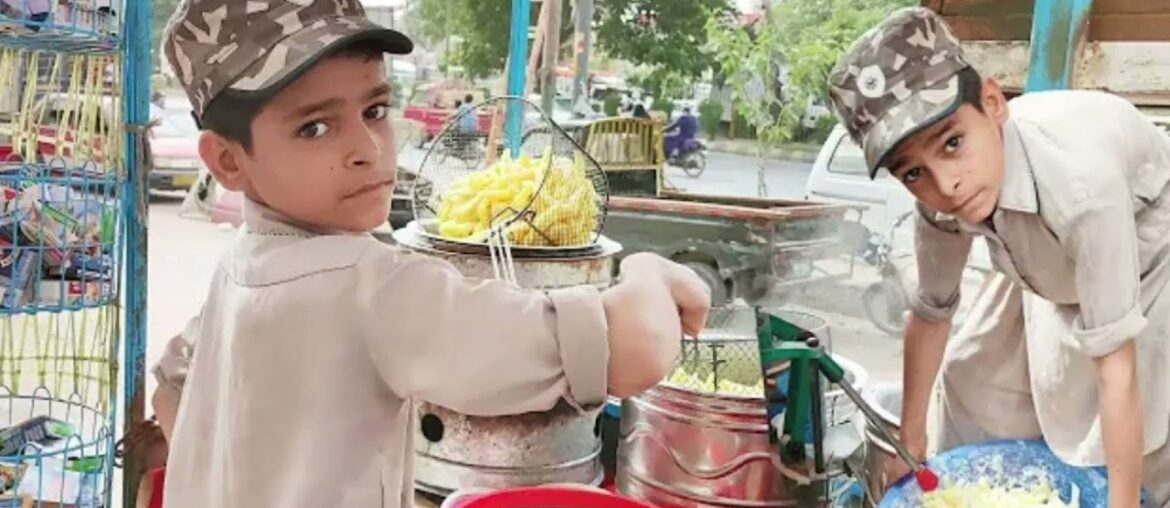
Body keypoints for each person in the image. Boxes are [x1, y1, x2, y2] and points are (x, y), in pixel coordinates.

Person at [153, 1, 712, 508]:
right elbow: (633, 349)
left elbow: (171, 390)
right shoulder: (374, 287)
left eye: (374, 110)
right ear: (227, 162)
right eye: (315, 127)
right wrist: (649, 271)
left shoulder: (240, 268)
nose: (368, 151)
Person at [827, 7, 1170, 507]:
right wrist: (912, 439)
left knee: (1144, 440)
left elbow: (1115, 367)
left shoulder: (1083, 190)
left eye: (952, 143)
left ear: (993, 103)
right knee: (971, 377)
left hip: (1147, 256)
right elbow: (930, 312)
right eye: (912, 173)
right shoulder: (949, 198)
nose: (946, 184)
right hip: (1041, 254)